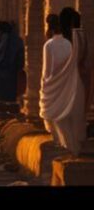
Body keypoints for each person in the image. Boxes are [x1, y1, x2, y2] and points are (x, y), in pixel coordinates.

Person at [40, 12, 87, 155]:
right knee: (66, 116)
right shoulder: (67, 43)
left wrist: (45, 84)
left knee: (57, 116)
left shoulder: (49, 45)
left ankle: (64, 146)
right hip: (67, 83)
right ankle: (72, 148)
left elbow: (48, 70)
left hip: (54, 84)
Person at [0, 21, 25, 102]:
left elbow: (0, 53)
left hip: (6, 71)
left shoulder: (5, 38)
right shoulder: (18, 40)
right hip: (12, 72)